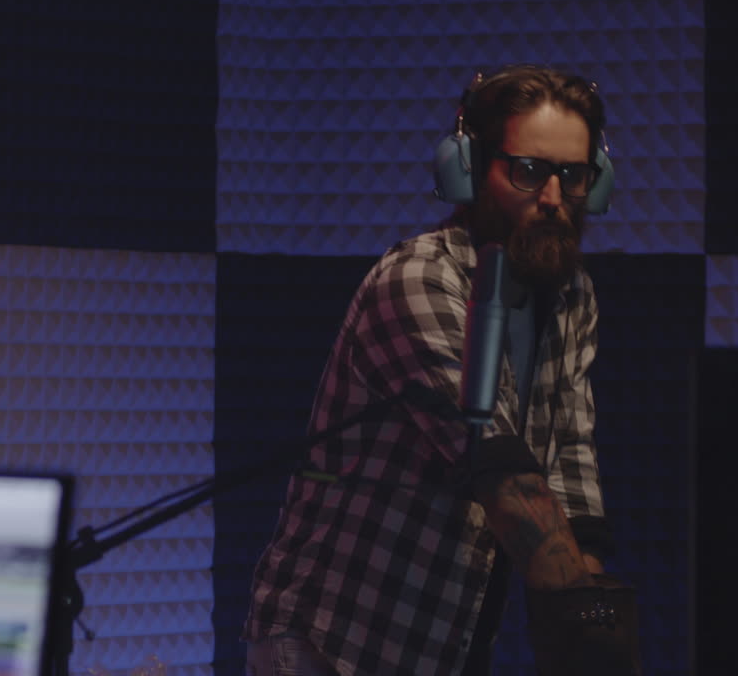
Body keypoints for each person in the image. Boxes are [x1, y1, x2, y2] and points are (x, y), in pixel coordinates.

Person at [243, 64, 620, 676]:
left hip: (440, 641)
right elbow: (504, 477)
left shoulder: (571, 293)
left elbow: (570, 469)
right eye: (527, 171)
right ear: (469, 170)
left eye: (572, 176)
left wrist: (597, 633)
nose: (552, 198)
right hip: (332, 642)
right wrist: (594, 635)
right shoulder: (420, 279)